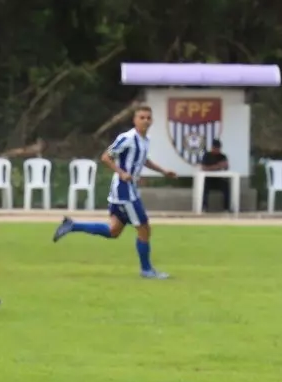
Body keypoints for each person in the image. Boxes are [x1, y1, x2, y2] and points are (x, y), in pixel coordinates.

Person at [51, 103, 178, 278]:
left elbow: (144, 160)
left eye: (148, 118)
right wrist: (122, 173)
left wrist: (164, 171)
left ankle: (72, 225)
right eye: (142, 117)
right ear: (135, 120)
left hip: (127, 189)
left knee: (114, 231)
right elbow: (106, 156)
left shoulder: (144, 140)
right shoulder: (127, 138)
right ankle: (146, 270)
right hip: (124, 190)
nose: (146, 121)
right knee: (144, 228)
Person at [200, 137, 230, 212]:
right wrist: (216, 166)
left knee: (226, 186)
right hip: (208, 180)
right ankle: (204, 207)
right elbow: (204, 168)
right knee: (204, 188)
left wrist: (225, 165)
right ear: (212, 147)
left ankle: (226, 208)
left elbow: (226, 167)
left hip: (218, 179)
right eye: (215, 148)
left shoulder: (222, 156)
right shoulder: (207, 155)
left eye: (218, 148)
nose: (217, 150)